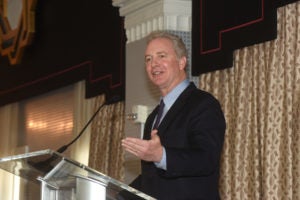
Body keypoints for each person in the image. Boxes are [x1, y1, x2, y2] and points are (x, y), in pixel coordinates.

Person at [121, 31, 226, 200]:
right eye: (148, 59)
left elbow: (206, 159)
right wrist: (114, 192)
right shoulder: (153, 117)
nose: (154, 64)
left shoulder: (203, 104)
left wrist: (162, 156)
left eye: (161, 56)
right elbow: (152, 178)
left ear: (181, 62)